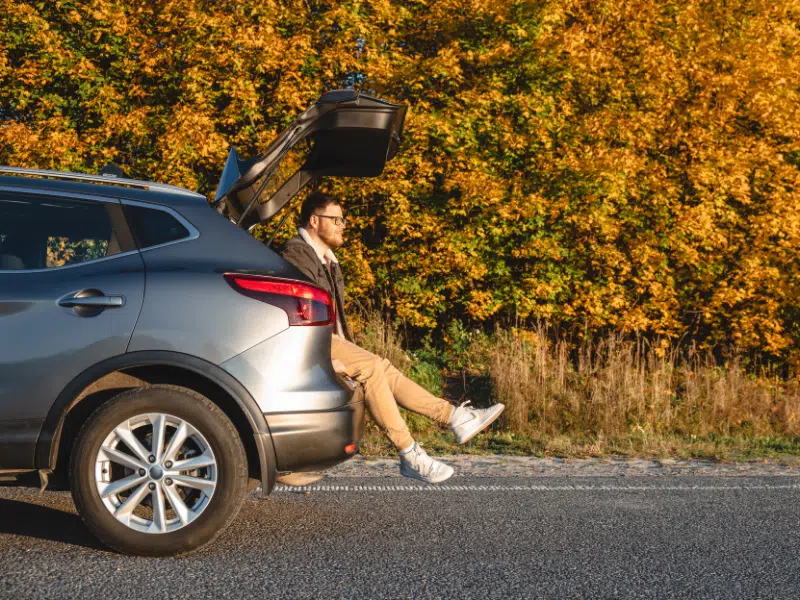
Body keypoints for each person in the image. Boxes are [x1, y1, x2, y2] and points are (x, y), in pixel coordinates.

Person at [280, 191, 505, 484]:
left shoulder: (327, 261)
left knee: (382, 367)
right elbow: (300, 309)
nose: (342, 225)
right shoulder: (296, 253)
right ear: (314, 220)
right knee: (372, 369)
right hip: (311, 342)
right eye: (335, 219)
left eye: (343, 220)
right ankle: (409, 453)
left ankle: (454, 418)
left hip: (328, 341)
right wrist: (328, 357)